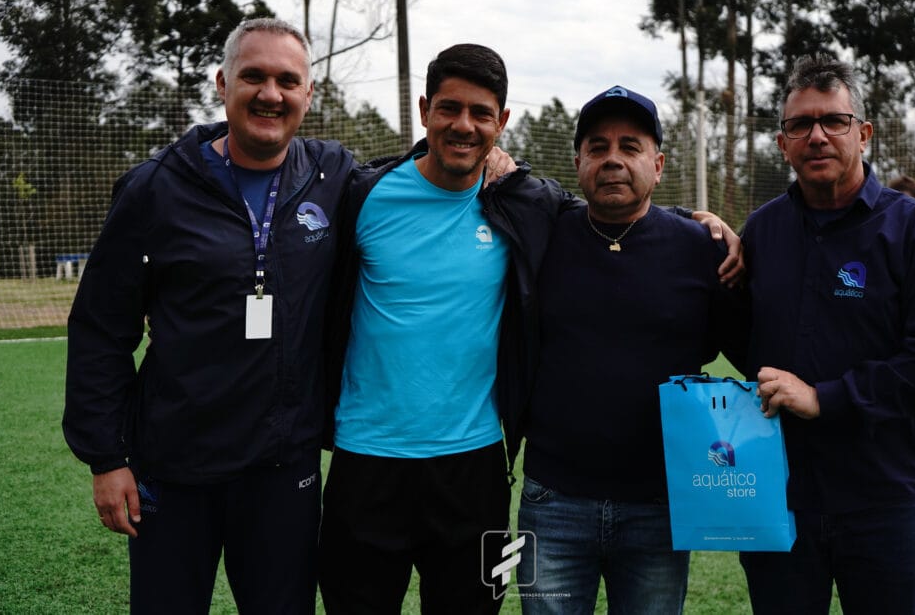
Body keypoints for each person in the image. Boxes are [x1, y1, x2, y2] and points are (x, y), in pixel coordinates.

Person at [317, 46, 743, 612]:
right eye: (449, 108)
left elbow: (612, 213)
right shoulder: (363, 194)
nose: (464, 125)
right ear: (424, 110)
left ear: (501, 122)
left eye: (481, 113)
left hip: (477, 470)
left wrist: (699, 222)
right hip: (371, 463)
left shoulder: (519, 204)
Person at [62, 18, 355, 613]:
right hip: (173, 467)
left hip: (282, 469)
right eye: (253, 77)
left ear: (308, 94)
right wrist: (106, 458)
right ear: (223, 84)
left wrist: (493, 161)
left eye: (287, 81)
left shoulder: (334, 176)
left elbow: (418, 174)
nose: (270, 94)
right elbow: (101, 328)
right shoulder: (155, 188)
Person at [739, 53, 915, 614]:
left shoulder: (914, 231)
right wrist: (698, 230)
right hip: (780, 496)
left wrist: (826, 398)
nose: (817, 136)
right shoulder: (762, 232)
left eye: (833, 121)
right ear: (782, 143)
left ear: (863, 134)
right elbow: (732, 333)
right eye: (801, 124)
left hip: (884, 497)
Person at [515, 85, 747, 613]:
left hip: (660, 505)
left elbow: (745, 346)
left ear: (658, 165)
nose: (613, 159)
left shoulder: (701, 248)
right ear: (578, 163)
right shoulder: (542, 237)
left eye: (630, 146)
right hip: (553, 501)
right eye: (597, 147)